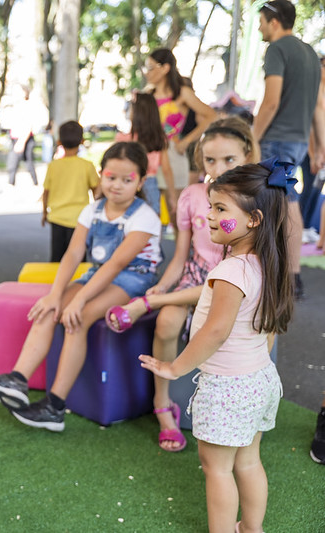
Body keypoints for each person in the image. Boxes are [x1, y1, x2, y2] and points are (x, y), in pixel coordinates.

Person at [138, 158, 294, 533]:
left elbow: (215, 331)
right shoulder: (266, 262)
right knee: (248, 461)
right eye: (211, 206)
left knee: (217, 468)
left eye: (221, 209)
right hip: (259, 380)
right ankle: (251, 528)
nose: (209, 216)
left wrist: (174, 367)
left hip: (229, 388)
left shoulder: (230, 271)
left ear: (253, 219)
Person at [0, 142, 162, 431]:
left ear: (141, 182)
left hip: (134, 278)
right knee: (49, 308)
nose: (117, 185)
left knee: (78, 317)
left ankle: (55, 406)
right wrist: (55, 295)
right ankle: (17, 381)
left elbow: (116, 265)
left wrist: (79, 300)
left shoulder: (143, 216)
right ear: (101, 175)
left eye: (127, 180)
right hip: (97, 274)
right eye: (111, 177)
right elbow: (73, 254)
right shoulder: (93, 209)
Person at [106, 117, 260, 452]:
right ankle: (162, 406)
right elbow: (180, 256)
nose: (218, 168)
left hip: (234, 281)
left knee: (200, 312)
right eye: (210, 160)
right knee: (166, 323)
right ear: (200, 160)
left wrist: (155, 297)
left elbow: (241, 269)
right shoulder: (192, 196)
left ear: (247, 155)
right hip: (195, 277)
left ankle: (145, 305)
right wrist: (163, 286)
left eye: (229, 159)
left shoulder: (256, 199)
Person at [252, 0, 325, 300]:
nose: (259, 27)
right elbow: (319, 105)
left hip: (275, 140)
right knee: (285, 198)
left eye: (261, 21)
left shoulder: (277, 49)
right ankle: (287, 276)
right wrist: (320, 147)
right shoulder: (309, 53)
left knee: (285, 200)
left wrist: (252, 138)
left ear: (274, 21)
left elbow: (271, 102)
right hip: (297, 142)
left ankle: (289, 277)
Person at [145, 48, 216, 204]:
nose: (146, 73)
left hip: (173, 154)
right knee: (152, 208)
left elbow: (211, 116)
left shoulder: (182, 93)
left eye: (150, 68)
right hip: (150, 157)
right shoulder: (148, 95)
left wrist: (187, 141)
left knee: (176, 208)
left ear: (165, 68)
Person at [42, 120, 99, 262]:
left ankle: (57, 277)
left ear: (59, 142)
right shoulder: (87, 166)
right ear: (82, 141)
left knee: (57, 258)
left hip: (57, 218)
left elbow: (46, 192)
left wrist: (44, 212)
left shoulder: (53, 166)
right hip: (80, 219)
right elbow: (97, 193)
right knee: (78, 258)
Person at [117, 92, 172, 216]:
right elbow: (167, 169)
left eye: (131, 107)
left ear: (137, 112)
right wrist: (173, 197)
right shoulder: (159, 139)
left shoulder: (123, 139)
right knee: (151, 221)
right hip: (151, 184)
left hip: (127, 183)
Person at [299, 56, 325, 245]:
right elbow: (308, 128)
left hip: (320, 152)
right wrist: (313, 154)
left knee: (316, 188)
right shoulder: (312, 92)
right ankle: (299, 227)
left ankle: (307, 227)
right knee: (308, 188)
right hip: (310, 151)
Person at [5, 84, 42, 186]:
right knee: (13, 163)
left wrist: (21, 142)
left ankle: (35, 183)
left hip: (24, 138)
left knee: (27, 162)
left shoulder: (26, 106)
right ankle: (11, 183)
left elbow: (28, 126)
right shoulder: (15, 106)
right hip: (15, 138)